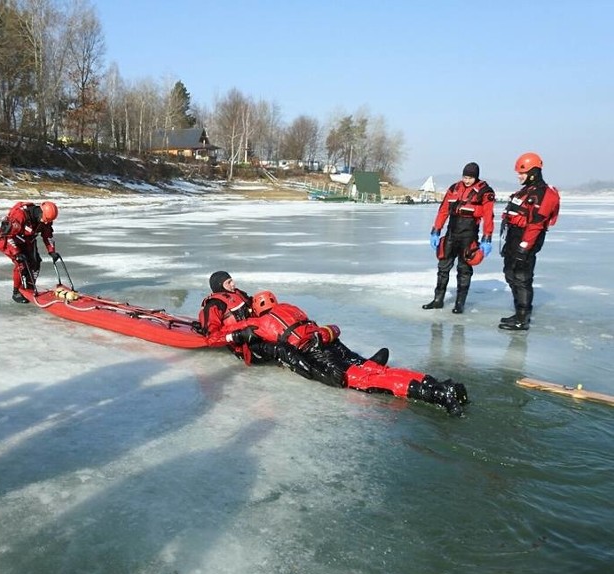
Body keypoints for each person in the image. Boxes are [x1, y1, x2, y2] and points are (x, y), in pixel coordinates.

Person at [228, 290, 469, 416]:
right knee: (375, 369)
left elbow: (229, 334)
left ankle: (436, 393)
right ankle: (436, 383)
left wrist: (227, 334)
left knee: (365, 380)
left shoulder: (258, 324)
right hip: (329, 341)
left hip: (317, 352)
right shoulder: (290, 307)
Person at [198, 271, 390, 385]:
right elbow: (212, 338)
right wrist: (239, 336)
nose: (234, 283)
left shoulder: (238, 294)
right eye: (229, 282)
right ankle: (325, 374)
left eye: (232, 280)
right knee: (284, 348)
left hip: (259, 331)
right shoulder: (214, 306)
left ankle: (362, 362)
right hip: (246, 345)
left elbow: (258, 310)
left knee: (312, 336)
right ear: (219, 285)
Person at [422, 162, 495, 314]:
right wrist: (436, 230)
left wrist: (487, 238)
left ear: (476, 177)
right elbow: (443, 210)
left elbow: (488, 216)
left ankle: (459, 303)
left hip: (469, 236)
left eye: (470, 177)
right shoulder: (454, 188)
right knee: (443, 267)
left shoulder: (485, 192)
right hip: (451, 233)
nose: (467, 180)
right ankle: (438, 300)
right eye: (465, 177)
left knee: (464, 269)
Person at [498, 152, 560, 330]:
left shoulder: (545, 194)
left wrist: (524, 247)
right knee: (510, 274)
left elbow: (536, 224)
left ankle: (523, 318)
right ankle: (518, 312)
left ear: (533, 172)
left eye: (521, 173)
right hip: (513, 237)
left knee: (522, 277)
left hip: (526, 239)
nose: (519, 176)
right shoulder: (525, 191)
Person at [0, 201, 59, 303]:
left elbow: (47, 234)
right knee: (21, 265)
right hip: (8, 241)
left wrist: (52, 251)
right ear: (40, 212)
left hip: (27, 240)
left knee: (36, 263)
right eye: (45, 220)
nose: (46, 222)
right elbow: (6, 237)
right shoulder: (20, 216)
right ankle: (16, 292)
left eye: (48, 221)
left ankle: (30, 288)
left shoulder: (44, 219)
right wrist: (16, 253)